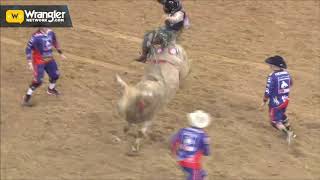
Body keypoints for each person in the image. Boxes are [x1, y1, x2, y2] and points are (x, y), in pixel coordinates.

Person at [22, 27, 66, 106]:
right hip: (39, 61)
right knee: (38, 81)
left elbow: (55, 42)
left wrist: (61, 53)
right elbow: (28, 48)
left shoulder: (50, 32)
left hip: (49, 59)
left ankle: (50, 90)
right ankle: (27, 97)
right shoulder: (35, 36)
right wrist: (29, 62)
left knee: (55, 75)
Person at [261, 55, 296, 144]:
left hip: (275, 102)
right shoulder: (287, 73)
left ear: (273, 66)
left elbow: (268, 90)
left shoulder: (272, 76)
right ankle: (290, 130)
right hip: (285, 100)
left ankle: (288, 133)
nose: (269, 66)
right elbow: (290, 83)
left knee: (274, 121)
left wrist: (265, 100)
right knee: (282, 115)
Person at [170, 110, 211, 180]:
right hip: (193, 163)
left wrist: (174, 152)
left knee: (199, 173)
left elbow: (173, 141)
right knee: (195, 175)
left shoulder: (182, 130)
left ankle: (202, 175)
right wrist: (206, 152)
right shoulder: (203, 136)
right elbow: (207, 151)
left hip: (180, 159)